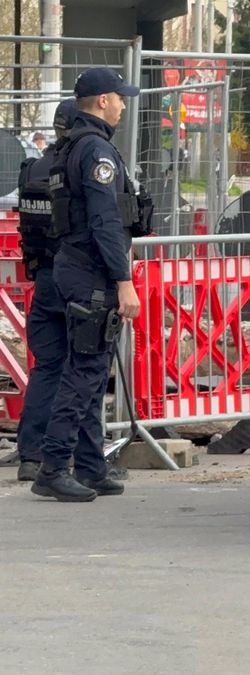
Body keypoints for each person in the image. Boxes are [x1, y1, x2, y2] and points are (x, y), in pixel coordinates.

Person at [32, 68, 146, 502]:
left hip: (71, 267)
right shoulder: (95, 149)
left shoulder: (72, 145)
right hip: (91, 272)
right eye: (119, 97)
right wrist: (124, 281)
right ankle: (55, 465)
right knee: (84, 373)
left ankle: (91, 466)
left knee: (92, 372)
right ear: (102, 100)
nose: (122, 104)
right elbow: (105, 222)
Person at [13, 100, 78, 482]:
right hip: (76, 279)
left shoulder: (32, 169)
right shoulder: (76, 166)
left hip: (43, 279)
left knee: (47, 369)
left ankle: (31, 454)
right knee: (83, 369)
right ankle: (76, 457)